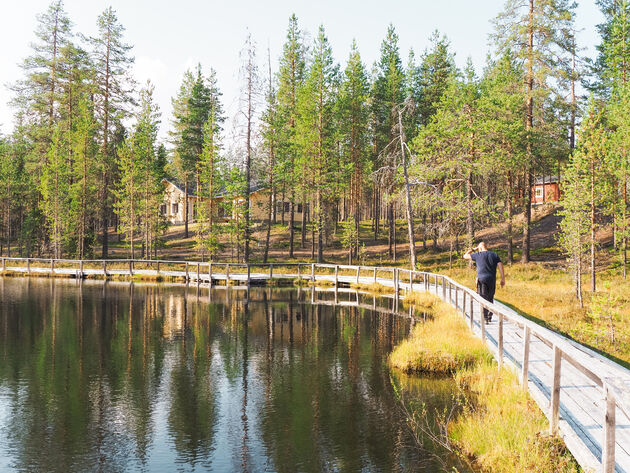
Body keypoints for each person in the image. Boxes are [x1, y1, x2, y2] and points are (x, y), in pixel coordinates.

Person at [463, 241, 505, 322]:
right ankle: (489, 316)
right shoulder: (494, 255)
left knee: (483, 297)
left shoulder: (478, 255)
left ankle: (485, 317)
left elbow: (465, 256)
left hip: (481, 279)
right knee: (490, 297)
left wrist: (473, 249)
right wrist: (503, 278)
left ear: (480, 248)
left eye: (479, 248)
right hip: (492, 279)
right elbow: (500, 266)